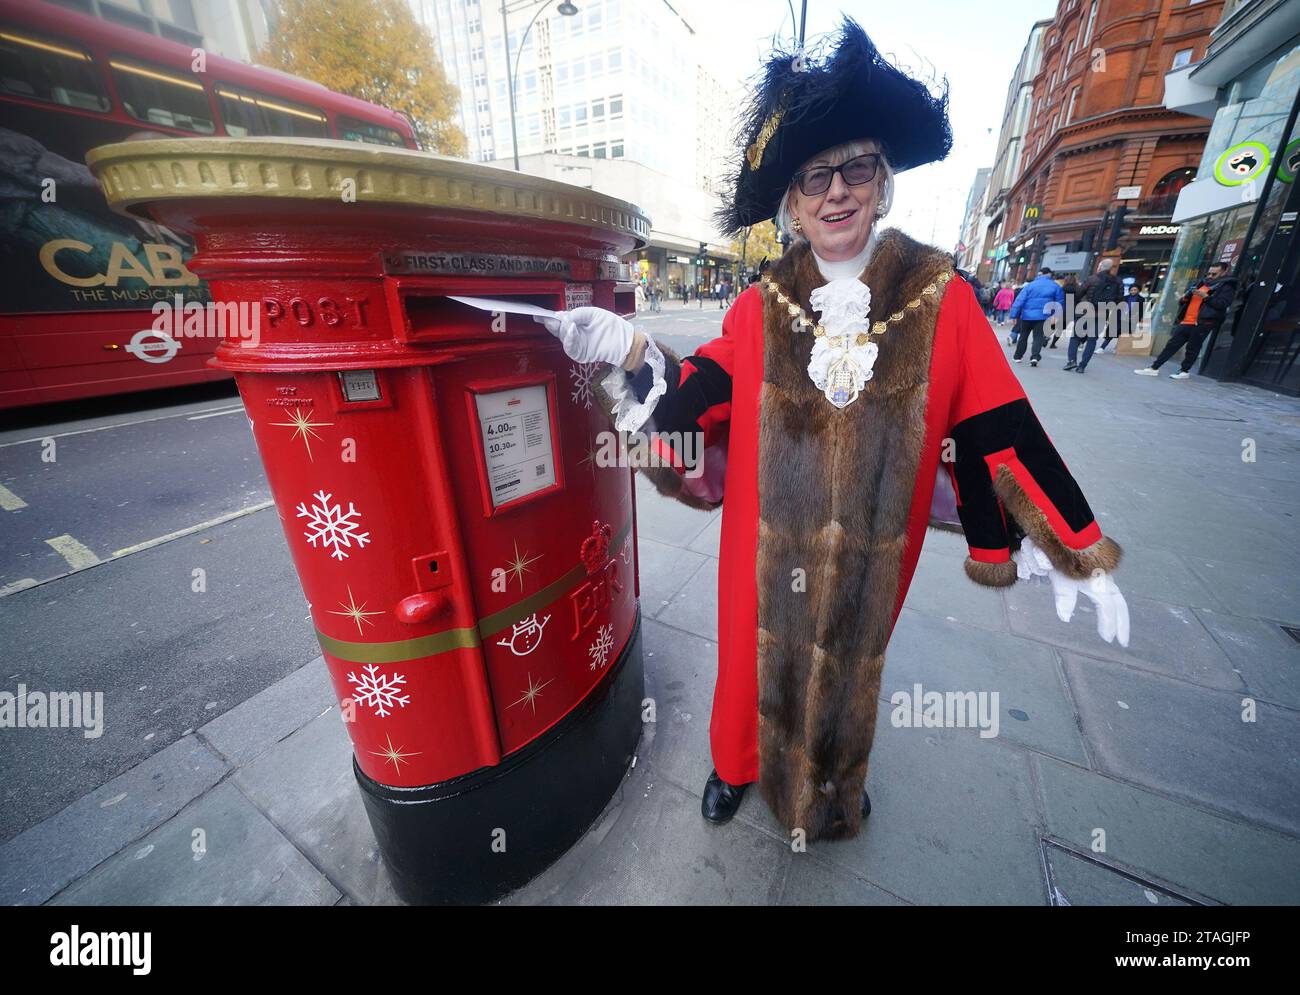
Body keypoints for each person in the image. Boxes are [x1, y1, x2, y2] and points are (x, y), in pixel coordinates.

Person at [536, 19, 1127, 842]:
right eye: (815, 178)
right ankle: (733, 766)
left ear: (882, 184)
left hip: (869, 558)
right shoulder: (759, 305)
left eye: (855, 168)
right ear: (793, 204)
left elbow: (998, 423)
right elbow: (698, 393)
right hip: (762, 542)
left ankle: (834, 787)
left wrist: (1072, 548)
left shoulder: (941, 299)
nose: (836, 191)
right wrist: (632, 351)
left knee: (849, 673)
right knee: (748, 661)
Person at [1134, 262, 1238, 380]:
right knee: (1172, 345)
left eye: (1214, 274)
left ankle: (1184, 371)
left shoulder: (1226, 287)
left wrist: (1206, 297)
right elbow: (1186, 301)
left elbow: (1223, 304)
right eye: (1209, 273)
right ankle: (1154, 368)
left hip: (1203, 322)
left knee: (1192, 347)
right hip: (1187, 320)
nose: (1210, 276)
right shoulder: (1201, 282)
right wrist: (1185, 298)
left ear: (1224, 272)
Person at [1065, 257, 1122, 372]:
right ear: (1111, 269)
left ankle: (1072, 361)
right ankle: (1082, 366)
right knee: (1092, 340)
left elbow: (1079, 293)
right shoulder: (1117, 282)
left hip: (1085, 313)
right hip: (1101, 315)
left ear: (1100, 267)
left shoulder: (1092, 279)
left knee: (1075, 337)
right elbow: (1119, 300)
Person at [1008, 267, 1064, 367]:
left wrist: (1014, 315)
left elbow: (1019, 301)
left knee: (1023, 337)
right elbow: (1060, 302)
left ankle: (1018, 356)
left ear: (1039, 274)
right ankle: (1034, 357)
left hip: (1027, 316)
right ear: (1049, 275)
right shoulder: (1055, 286)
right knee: (1038, 337)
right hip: (1043, 317)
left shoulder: (1030, 286)